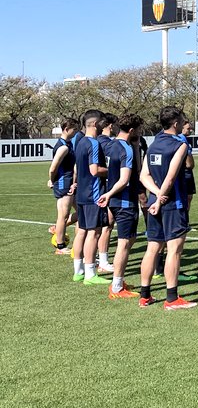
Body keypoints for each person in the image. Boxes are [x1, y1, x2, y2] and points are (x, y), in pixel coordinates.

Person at [138, 106, 194, 309]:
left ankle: (145, 295)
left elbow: (143, 176)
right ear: (176, 123)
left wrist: (155, 197)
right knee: (174, 250)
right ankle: (172, 298)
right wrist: (162, 197)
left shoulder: (152, 145)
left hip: (155, 203)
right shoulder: (179, 145)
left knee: (152, 248)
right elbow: (170, 178)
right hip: (173, 203)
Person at [97, 113, 144, 299]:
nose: (140, 133)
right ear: (132, 130)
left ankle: (118, 280)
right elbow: (124, 180)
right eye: (139, 130)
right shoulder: (126, 148)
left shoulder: (111, 145)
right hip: (124, 200)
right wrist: (109, 194)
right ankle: (116, 287)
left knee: (129, 240)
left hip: (116, 201)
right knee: (124, 243)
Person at [70, 109, 111, 286]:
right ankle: (90, 274)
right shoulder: (93, 144)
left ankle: (78, 271)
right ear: (95, 124)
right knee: (94, 233)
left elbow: (78, 169)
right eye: (102, 122)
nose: (105, 126)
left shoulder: (79, 142)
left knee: (82, 231)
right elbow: (95, 170)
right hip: (93, 194)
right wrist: (113, 171)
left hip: (82, 194)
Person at [47, 118, 78, 254]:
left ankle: (56, 229)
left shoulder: (68, 144)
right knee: (63, 215)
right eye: (74, 129)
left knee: (82, 213)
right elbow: (53, 167)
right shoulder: (63, 147)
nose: (76, 132)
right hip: (63, 183)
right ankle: (60, 246)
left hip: (69, 183)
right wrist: (51, 180)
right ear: (67, 129)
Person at [94, 113, 118, 274]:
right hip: (105, 188)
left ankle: (96, 259)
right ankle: (102, 261)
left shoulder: (99, 142)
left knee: (101, 226)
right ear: (110, 125)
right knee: (106, 225)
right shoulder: (104, 142)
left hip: (101, 188)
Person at [180, 120, 196, 218]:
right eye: (188, 128)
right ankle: (183, 220)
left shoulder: (185, 139)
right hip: (185, 172)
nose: (190, 130)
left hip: (186, 172)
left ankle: (185, 220)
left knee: (189, 197)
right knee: (186, 197)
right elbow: (189, 164)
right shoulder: (182, 139)